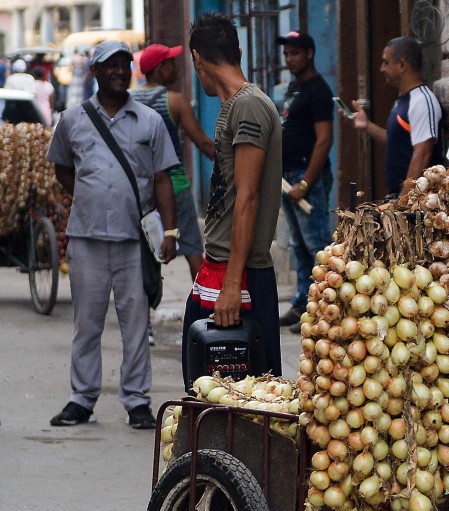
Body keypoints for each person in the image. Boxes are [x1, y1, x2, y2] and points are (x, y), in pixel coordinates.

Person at [46, 40, 179, 429]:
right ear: (95, 72)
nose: (120, 71)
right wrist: (90, 196)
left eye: (125, 64)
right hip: (86, 238)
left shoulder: (150, 121)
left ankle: (137, 401)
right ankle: (82, 399)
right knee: (86, 323)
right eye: (111, 66)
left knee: (135, 323)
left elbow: (162, 179)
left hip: (133, 241)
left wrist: (170, 231)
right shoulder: (72, 119)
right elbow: (63, 168)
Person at [182, 12, 284, 387]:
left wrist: (232, 284)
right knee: (207, 390)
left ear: (198, 59)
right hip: (223, 266)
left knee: (252, 392)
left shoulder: (250, 107)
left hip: (240, 273)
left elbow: (248, 196)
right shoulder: (236, 106)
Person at [130, 43, 216, 281]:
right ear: (159, 69)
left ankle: (141, 314)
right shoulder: (175, 101)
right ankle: (204, 308)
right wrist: (230, 163)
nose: (176, 67)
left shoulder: (129, 101)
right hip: (175, 186)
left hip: (140, 191)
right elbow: (202, 142)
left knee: (141, 256)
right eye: (170, 63)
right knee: (192, 251)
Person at [277, 30, 334, 331]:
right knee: (298, 245)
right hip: (287, 179)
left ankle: (324, 310)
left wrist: (306, 184)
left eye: (295, 53)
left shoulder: (318, 91)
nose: (289, 59)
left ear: (309, 54)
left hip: (305, 179)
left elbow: (324, 140)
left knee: (318, 245)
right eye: (286, 54)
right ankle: (302, 304)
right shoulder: (293, 87)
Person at [345, 36, 442, 199]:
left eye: (386, 63)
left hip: (416, 203)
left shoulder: (422, 101)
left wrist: (403, 201)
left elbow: (423, 153)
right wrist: (367, 126)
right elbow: (395, 141)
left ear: (402, 65)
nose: (382, 68)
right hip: (398, 198)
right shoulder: (402, 101)